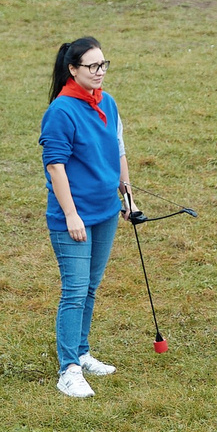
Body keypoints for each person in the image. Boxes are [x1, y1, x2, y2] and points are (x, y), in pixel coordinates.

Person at [42, 37, 133, 400]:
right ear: (73, 70)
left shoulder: (107, 103)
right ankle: (69, 370)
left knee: (90, 287)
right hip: (74, 218)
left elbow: (118, 150)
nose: (100, 72)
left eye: (103, 64)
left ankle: (81, 351)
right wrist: (71, 215)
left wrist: (128, 196)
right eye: (92, 66)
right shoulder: (61, 111)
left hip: (106, 212)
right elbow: (55, 166)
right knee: (75, 291)